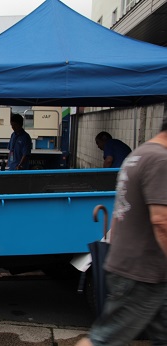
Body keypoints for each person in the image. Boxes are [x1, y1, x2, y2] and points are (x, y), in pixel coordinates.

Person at [76, 120, 167, 346]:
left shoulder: (139, 155)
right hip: (142, 272)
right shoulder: (160, 160)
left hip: (138, 266)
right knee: (104, 340)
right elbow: (161, 220)